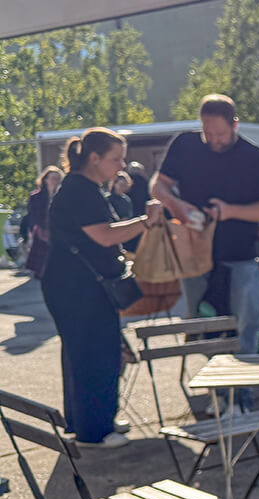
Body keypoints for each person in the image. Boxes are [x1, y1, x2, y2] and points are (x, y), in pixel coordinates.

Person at [152, 94, 259, 413]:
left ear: (235, 124)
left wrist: (229, 211)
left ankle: (240, 399)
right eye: (208, 134)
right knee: (204, 326)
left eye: (221, 134)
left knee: (244, 327)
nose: (214, 141)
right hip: (195, 256)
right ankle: (219, 391)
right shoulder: (184, 145)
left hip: (240, 255)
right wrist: (177, 205)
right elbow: (158, 186)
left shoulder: (254, 157)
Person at [42, 129, 163, 447]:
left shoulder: (85, 187)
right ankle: (93, 432)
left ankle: (91, 422)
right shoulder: (80, 189)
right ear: (93, 158)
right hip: (77, 288)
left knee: (91, 352)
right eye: (116, 159)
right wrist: (145, 221)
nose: (121, 166)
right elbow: (105, 235)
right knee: (94, 353)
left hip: (78, 285)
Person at [20, 165, 62, 277]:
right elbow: (34, 215)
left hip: (58, 230)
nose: (54, 181)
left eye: (57, 179)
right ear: (45, 179)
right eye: (52, 178)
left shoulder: (62, 196)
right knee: (40, 260)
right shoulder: (36, 197)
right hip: (41, 229)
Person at [106, 171, 141, 252]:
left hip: (125, 229)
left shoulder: (126, 200)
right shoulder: (108, 199)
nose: (123, 188)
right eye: (121, 185)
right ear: (114, 184)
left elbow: (129, 216)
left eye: (125, 185)